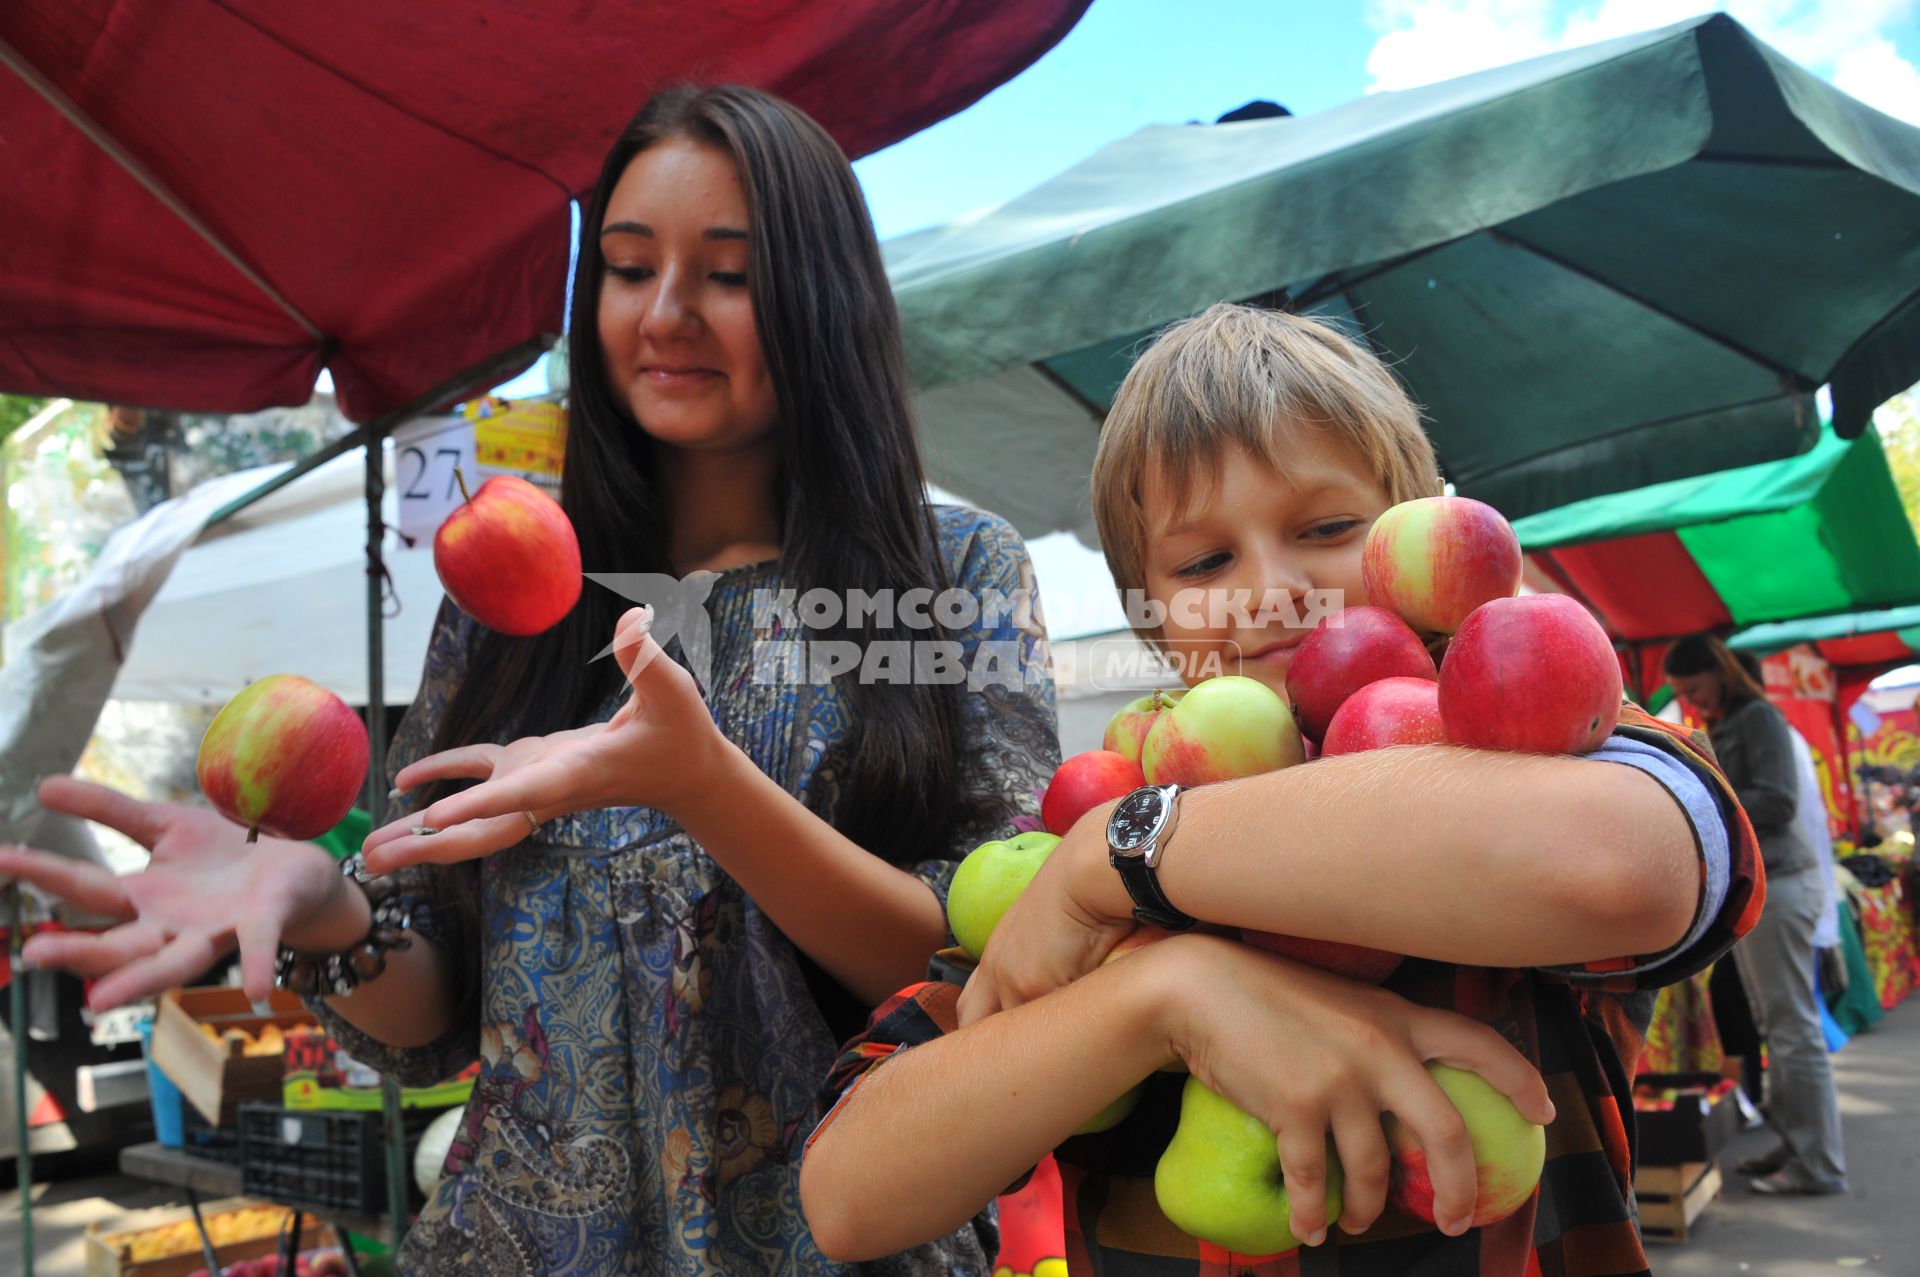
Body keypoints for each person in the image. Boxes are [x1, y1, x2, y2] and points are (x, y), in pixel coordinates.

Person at [0, 85, 1059, 1273]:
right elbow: (440, 1004)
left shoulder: (955, 571)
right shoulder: (512, 592)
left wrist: (705, 786)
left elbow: (993, 964)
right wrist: (321, 907)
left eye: (727, 271)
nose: (664, 313)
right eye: (624, 266)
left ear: (824, 295)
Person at [799, 303, 1764, 1276]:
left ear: (1418, 527)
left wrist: (1125, 853)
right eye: (1204, 559)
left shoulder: (1531, 734)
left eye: (1330, 526)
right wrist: (1160, 994)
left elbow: (1614, 866)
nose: (1268, 585)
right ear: (1153, 617)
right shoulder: (1083, 825)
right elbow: (846, 1193)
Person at [1665, 634, 1848, 1195]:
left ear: (1720, 673)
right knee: (1779, 1029)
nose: (1692, 701)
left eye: (1694, 688)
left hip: (1784, 884)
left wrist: (1707, 806)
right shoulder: (1733, 722)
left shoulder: (1760, 718)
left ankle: (1817, 1165)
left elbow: (1777, 800)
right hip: (1765, 888)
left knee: (1793, 1033)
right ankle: (1796, 1146)